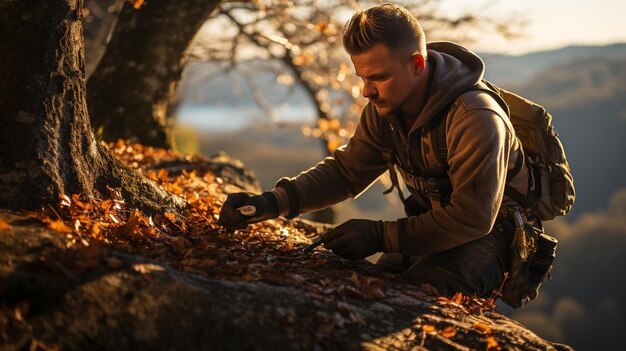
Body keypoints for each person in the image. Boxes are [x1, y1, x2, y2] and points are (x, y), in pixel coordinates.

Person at [218, 3, 532, 298]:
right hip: (431, 223)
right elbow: (345, 172)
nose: (367, 91)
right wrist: (269, 203)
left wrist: (380, 236)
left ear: (417, 65)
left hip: (491, 235)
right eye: (362, 78)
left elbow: (473, 218)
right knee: (374, 286)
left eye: (379, 77)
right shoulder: (384, 109)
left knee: (416, 295)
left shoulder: (475, 117)